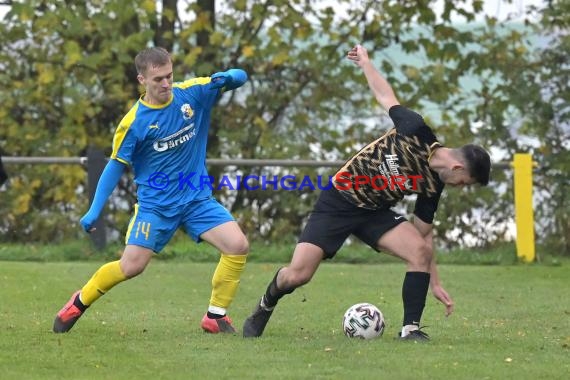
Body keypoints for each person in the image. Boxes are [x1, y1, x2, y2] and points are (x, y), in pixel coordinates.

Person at [242, 44, 491, 341]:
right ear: (457, 167)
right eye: (464, 182)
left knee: (419, 251)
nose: (460, 187)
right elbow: (386, 96)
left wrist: (435, 283)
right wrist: (366, 63)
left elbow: (423, 236)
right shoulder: (414, 130)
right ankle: (265, 304)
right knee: (298, 274)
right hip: (338, 200)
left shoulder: (433, 184)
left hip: (374, 214)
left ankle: (410, 330)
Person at [53, 47, 249, 334]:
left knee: (237, 246)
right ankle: (79, 302)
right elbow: (114, 166)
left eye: (169, 75)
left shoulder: (191, 93)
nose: (166, 84)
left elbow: (240, 77)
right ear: (141, 80)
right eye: (158, 79)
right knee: (131, 266)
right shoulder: (134, 123)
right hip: (156, 207)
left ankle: (215, 315)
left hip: (196, 199)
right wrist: (94, 210)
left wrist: (229, 77)